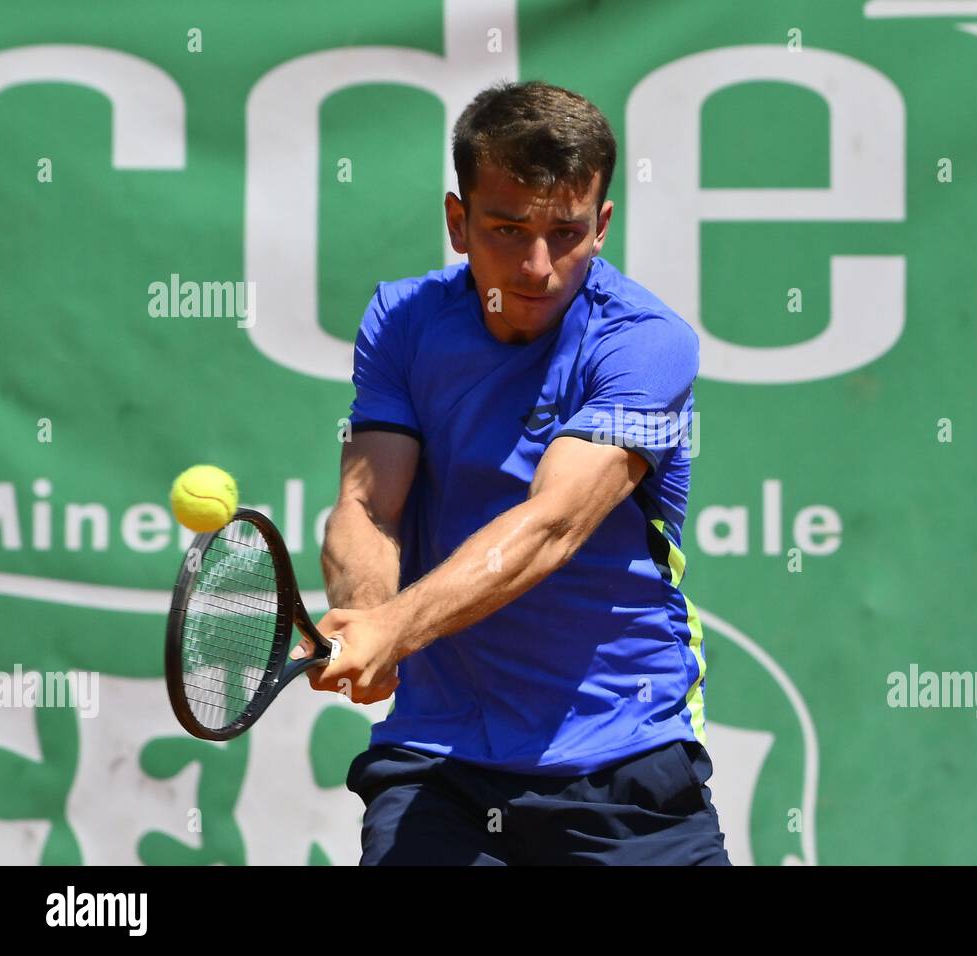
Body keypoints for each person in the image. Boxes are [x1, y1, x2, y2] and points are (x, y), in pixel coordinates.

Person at [290, 79, 730, 865]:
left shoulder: (648, 342)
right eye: (506, 228)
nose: (537, 265)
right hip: (441, 764)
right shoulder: (404, 321)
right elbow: (369, 505)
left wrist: (395, 628)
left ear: (602, 225)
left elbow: (552, 526)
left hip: (622, 760)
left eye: (565, 232)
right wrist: (366, 612)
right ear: (458, 223)